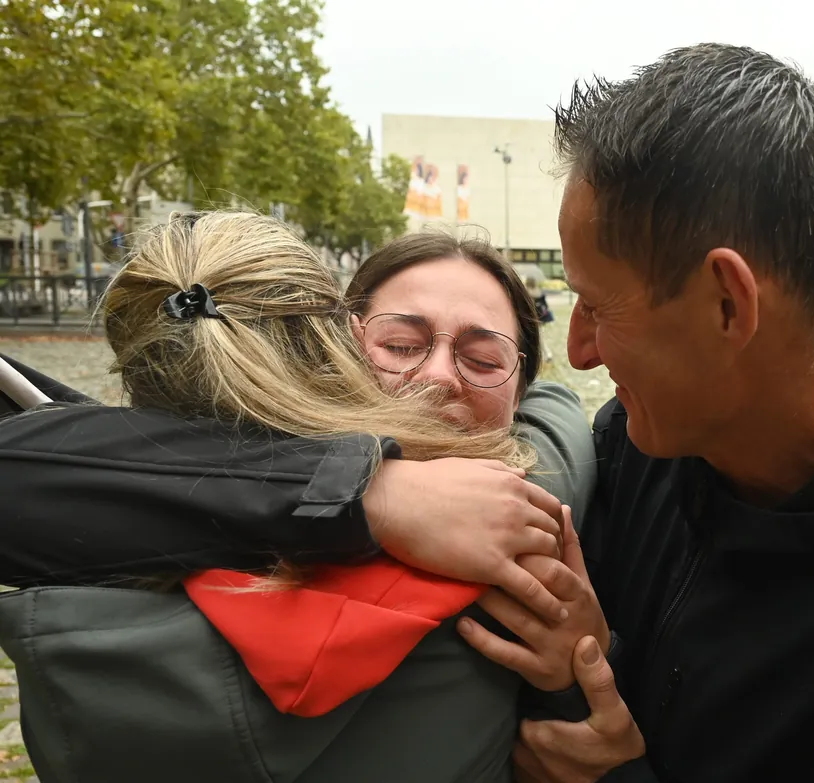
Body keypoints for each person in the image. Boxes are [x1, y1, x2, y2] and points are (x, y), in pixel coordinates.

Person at [3, 44, 814, 783]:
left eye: (599, 305)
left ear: (728, 304)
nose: (578, 350)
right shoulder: (636, 449)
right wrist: (376, 492)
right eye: (399, 341)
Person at [0, 214, 597, 782]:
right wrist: (371, 490)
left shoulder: (107, 517)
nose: (440, 375)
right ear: (333, 353)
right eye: (400, 345)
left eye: (484, 360)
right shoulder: (535, 500)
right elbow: (557, 418)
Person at [526, 276, 555, 362]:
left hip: (532, 319)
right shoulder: (539, 291)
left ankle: (546, 354)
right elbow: (546, 305)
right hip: (541, 318)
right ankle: (544, 355)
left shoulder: (528, 293)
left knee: (537, 338)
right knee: (538, 337)